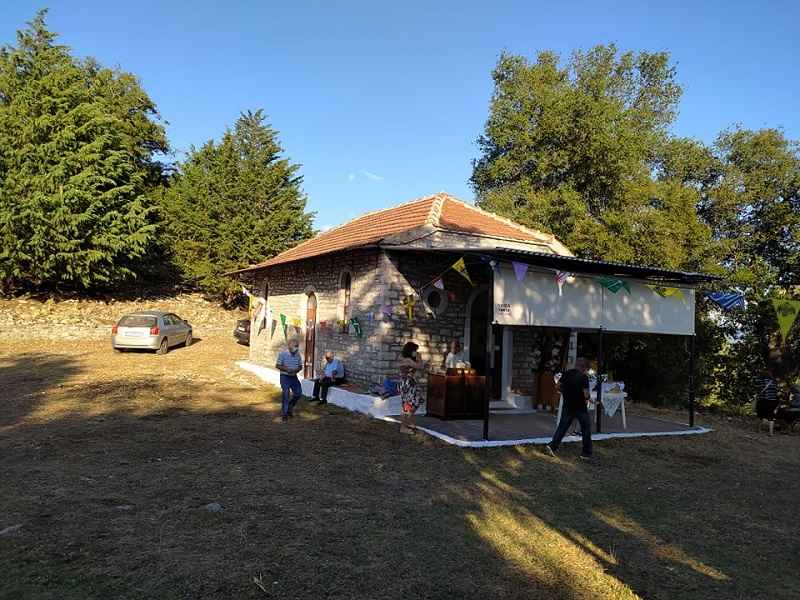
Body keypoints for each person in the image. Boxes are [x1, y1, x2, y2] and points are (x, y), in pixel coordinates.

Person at [545, 357, 592, 459]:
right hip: (580, 407)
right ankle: (586, 453)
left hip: (567, 405)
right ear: (584, 368)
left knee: (562, 427)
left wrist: (565, 392)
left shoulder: (566, 374)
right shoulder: (584, 377)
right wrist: (589, 398)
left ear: (576, 365)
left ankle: (552, 446)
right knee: (586, 429)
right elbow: (586, 394)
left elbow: (557, 386)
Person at [398, 342, 425, 434]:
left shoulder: (404, 358)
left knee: (414, 402)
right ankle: (403, 427)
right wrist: (419, 358)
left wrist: (417, 358)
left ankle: (409, 422)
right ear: (411, 350)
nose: (416, 352)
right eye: (415, 350)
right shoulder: (408, 360)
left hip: (409, 383)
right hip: (407, 384)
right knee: (408, 405)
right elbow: (420, 366)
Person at [275, 339, 303, 422]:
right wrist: (286, 369)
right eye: (295, 346)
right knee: (286, 394)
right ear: (290, 346)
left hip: (294, 377)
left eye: (297, 346)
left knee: (298, 393)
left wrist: (296, 370)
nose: (297, 348)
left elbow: (300, 366)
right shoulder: (282, 354)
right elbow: (278, 365)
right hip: (285, 377)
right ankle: (285, 414)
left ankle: (290, 407)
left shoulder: (298, 355)